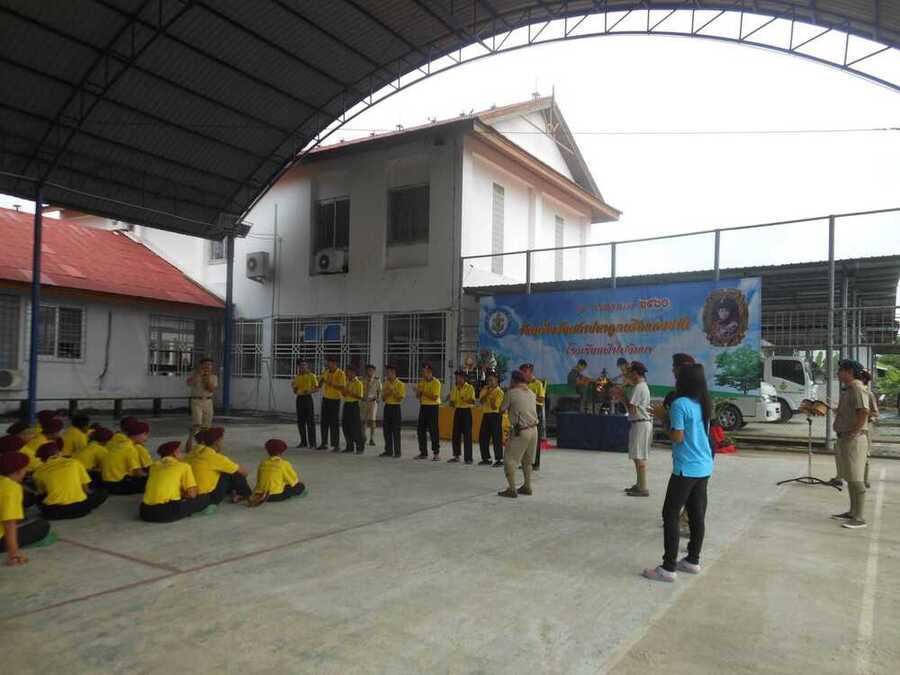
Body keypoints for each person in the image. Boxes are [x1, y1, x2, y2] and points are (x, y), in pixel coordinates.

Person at [644, 363, 715, 583]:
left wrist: (662, 417)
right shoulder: (703, 402)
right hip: (704, 465)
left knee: (670, 514)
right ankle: (693, 560)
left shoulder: (679, 404)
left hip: (686, 468)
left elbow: (677, 437)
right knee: (696, 514)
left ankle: (668, 568)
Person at [830, 360, 870, 529]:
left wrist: (855, 431)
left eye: (840, 370)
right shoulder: (848, 389)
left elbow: (864, 411)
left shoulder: (857, 387)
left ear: (849, 372)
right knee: (850, 477)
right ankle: (853, 512)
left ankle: (859, 518)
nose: (838, 373)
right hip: (845, 438)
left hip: (854, 439)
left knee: (856, 478)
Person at [0, 452, 52, 567]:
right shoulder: (11, 488)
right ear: (18, 471)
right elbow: (9, 524)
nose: (26, 472)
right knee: (42, 525)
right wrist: (14, 553)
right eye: (25, 469)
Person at [33, 442, 108, 520]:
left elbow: (43, 492)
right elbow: (86, 490)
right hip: (81, 509)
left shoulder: (38, 472)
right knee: (103, 492)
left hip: (54, 512)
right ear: (59, 453)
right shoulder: (74, 463)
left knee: (38, 497)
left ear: (42, 459)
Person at [140, 441, 211, 523]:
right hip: (165, 513)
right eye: (179, 451)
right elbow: (192, 494)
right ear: (174, 453)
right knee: (204, 498)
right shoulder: (184, 466)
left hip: (145, 511)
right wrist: (183, 493)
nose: (182, 454)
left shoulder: (153, 466)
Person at [497, 370, 539, 498]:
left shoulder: (511, 393)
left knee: (509, 459)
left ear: (513, 380)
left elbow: (501, 409)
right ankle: (527, 486)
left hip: (521, 430)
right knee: (527, 461)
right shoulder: (532, 393)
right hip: (534, 430)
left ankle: (512, 489)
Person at [189, 427, 252, 505]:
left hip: (189, 492)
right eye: (222, 440)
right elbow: (244, 472)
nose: (222, 443)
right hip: (207, 497)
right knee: (234, 473)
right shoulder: (215, 457)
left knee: (224, 471)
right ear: (217, 442)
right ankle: (248, 496)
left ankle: (234, 491)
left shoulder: (194, 451)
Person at [624, 361, 653, 497]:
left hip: (640, 424)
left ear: (635, 373)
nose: (628, 375)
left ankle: (643, 487)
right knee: (637, 455)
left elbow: (632, 409)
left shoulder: (639, 387)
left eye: (630, 372)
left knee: (639, 456)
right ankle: (639, 484)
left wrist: (622, 396)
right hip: (640, 423)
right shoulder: (641, 386)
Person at [250, 439, 307, 505]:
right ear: (282, 451)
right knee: (300, 486)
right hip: (276, 495)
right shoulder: (284, 464)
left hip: (260, 493)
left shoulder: (263, 463)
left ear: (267, 451)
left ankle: (263, 496)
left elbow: (259, 479)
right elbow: (294, 481)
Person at [101, 420, 150, 494]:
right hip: (117, 484)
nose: (146, 438)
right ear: (137, 435)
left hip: (106, 482)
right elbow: (138, 472)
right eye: (145, 434)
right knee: (150, 481)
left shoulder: (122, 443)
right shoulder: (130, 449)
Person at [186, 358, 218, 452]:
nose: (208, 366)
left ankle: (204, 444)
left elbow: (211, 389)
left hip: (208, 401)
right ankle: (191, 442)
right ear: (201, 365)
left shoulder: (213, 377)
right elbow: (189, 383)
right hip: (196, 401)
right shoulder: (194, 374)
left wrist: (206, 379)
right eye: (206, 364)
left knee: (207, 425)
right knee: (197, 423)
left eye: (210, 365)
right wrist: (198, 375)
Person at [317, 356, 346, 451]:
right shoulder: (326, 372)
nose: (328, 365)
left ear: (334, 363)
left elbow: (342, 387)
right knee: (324, 422)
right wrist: (320, 381)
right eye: (327, 363)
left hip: (335, 399)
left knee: (334, 423)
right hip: (326, 398)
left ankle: (336, 445)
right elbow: (319, 384)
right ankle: (324, 443)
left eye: (329, 363)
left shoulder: (340, 373)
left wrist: (332, 384)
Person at [521, 363, 546, 470]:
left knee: (535, 438)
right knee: (525, 437)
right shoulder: (522, 384)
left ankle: (535, 463)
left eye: (525, 372)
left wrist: (530, 395)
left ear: (530, 372)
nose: (523, 374)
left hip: (535, 409)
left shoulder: (538, 384)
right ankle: (526, 462)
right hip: (525, 410)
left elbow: (541, 399)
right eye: (522, 372)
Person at [447, 370, 475, 464]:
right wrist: (451, 402)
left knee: (467, 435)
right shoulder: (455, 388)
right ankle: (456, 456)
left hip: (466, 411)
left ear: (464, 378)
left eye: (459, 377)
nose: (457, 379)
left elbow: (472, 401)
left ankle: (468, 458)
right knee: (456, 434)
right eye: (456, 377)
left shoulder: (470, 387)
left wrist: (463, 398)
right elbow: (452, 401)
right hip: (458, 411)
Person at [415, 362, 442, 460]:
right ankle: (423, 452)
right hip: (423, 406)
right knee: (420, 430)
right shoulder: (421, 382)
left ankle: (436, 453)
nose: (423, 373)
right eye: (422, 371)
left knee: (433, 430)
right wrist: (418, 392)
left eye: (425, 371)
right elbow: (418, 396)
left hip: (433, 407)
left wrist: (422, 391)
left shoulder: (436, 382)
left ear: (430, 372)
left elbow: (434, 397)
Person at [291, 360, 319, 448]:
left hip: (307, 398)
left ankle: (312, 443)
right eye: (301, 366)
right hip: (300, 399)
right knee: (301, 421)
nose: (302, 367)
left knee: (310, 421)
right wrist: (294, 388)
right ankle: (303, 442)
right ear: (299, 367)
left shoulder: (312, 376)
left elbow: (317, 388)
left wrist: (309, 391)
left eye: (304, 365)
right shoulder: (297, 377)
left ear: (307, 366)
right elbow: (295, 390)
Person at [380, 364, 405, 458]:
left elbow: (400, 398)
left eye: (389, 372)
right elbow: (383, 398)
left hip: (396, 407)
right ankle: (388, 450)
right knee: (386, 430)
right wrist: (388, 391)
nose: (387, 374)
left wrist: (393, 391)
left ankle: (397, 452)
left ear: (394, 373)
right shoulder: (385, 383)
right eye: (387, 372)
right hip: (387, 407)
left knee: (396, 430)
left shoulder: (400, 384)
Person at [860, 370, 879, 490]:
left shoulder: (869, 394)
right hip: (854, 428)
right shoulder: (852, 392)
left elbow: (875, 413)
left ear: (864, 380)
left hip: (866, 428)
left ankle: (864, 480)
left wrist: (865, 415)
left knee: (865, 454)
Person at [340, 364, 365, 454]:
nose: (348, 374)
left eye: (350, 372)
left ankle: (359, 447)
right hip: (347, 404)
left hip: (354, 405)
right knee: (346, 426)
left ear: (354, 373)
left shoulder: (358, 383)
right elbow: (344, 394)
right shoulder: (347, 382)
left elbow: (360, 396)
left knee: (355, 427)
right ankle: (349, 446)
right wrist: (344, 391)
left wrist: (350, 392)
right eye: (347, 372)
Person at [361, 364, 382, 446]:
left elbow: (379, 391)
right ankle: (363, 436)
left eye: (371, 370)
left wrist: (378, 399)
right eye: (368, 370)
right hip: (364, 402)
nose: (369, 372)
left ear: (374, 371)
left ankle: (372, 438)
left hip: (373, 402)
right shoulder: (362, 379)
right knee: (363, 420)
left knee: (372, 421)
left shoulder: (377, 380)